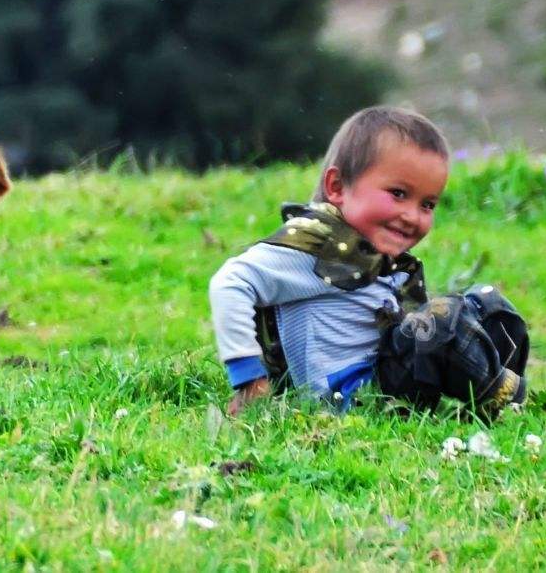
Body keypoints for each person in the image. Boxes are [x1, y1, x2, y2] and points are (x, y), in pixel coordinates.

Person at [208, 106, 529, 416]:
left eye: (428, 204)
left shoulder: (374, 256)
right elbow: (231, 283)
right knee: (444, 319)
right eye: (399, 194)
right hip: (348, 397)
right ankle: (498, 395)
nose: (412, 216)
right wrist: (249, 377)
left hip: (388, 376)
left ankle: (507, 401)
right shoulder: (314, 245)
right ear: (337, 187)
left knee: (486, 304)